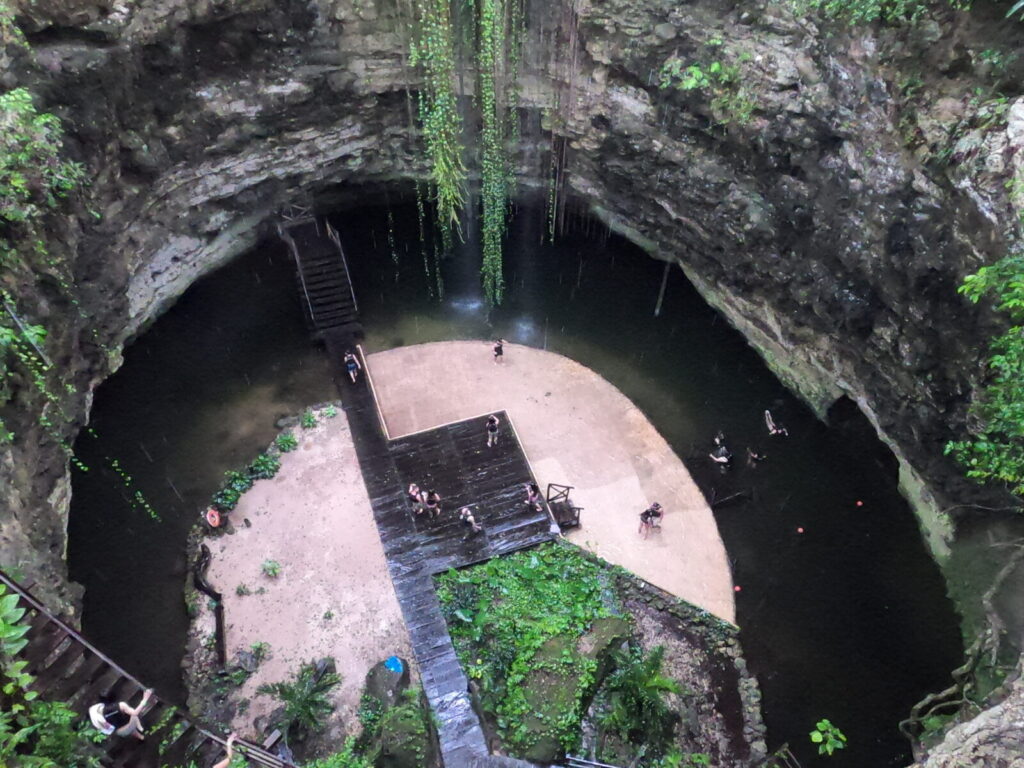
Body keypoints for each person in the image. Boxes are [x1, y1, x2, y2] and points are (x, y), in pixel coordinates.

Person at [89, 688, 154, 740]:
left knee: (124, 722)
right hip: (128, 726)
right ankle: (142, 729)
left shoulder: (99, 714)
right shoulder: (121, 705)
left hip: (120, 732)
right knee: (133, 714)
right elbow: (135, 712)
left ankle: (141, 737)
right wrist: (145, 699)